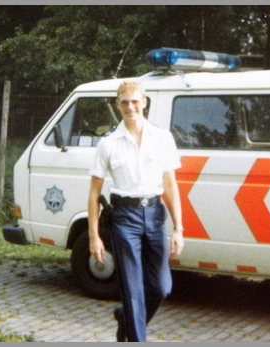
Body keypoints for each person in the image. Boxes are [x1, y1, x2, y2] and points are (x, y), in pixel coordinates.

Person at [87, 81, 184, 342]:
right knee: (132, 290)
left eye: (135, 101)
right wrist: (94, 237)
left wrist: (178, 229)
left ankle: (125, 318)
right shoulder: (107, 144)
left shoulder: (163, 138)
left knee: (161, 287)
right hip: (124, 218)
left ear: (145, 102)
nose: (131, 107)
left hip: (154, 215)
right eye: (124, 102)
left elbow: (170, 185)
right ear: (117, 105)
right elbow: (94, 193)